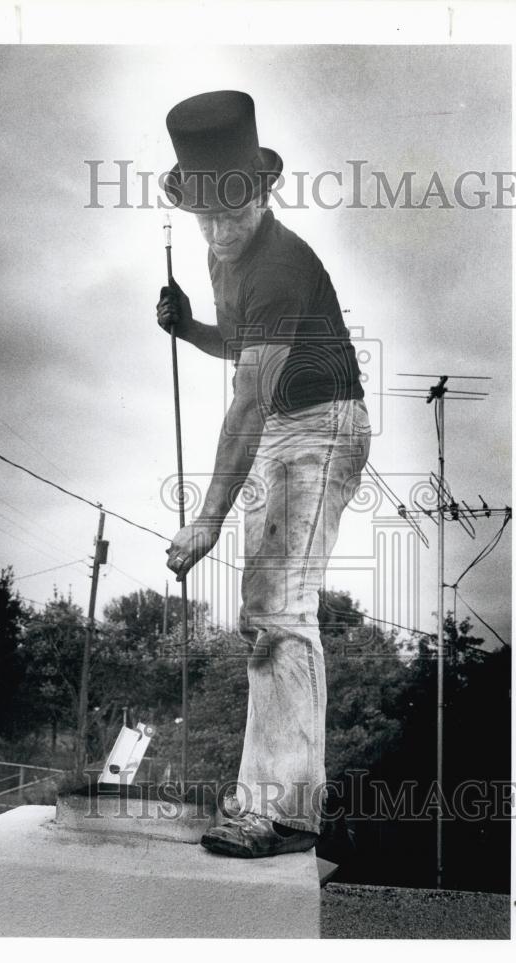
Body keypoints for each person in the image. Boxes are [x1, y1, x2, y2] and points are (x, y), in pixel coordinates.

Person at [156, 91, 371, 858]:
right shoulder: (226, 256)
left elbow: (249, 399)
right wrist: (188, 328)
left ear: (260, 193)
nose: (218, 228)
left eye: (232, 210)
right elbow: (243, 351)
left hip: (321, 424)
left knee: (281, 609)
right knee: (264, 615)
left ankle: (281, 813)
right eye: (205, 215)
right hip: (283, 423)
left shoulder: (279, 264)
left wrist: (206, 518)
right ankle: (270, 800)